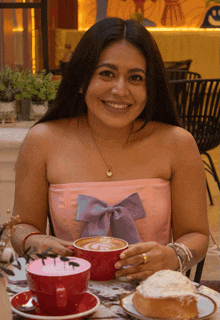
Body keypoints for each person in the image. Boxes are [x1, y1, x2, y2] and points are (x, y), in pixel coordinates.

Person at [11, 17, 209, 281]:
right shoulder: (43, 140)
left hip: (152, 298)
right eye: (107, 73)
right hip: (66, 295)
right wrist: (32, 242)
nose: (120, 90)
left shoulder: (178, 143)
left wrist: (174, 255)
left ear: (149, 87)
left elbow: (197, 235)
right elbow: (21, 226)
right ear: (82, 80)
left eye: (135, 78)